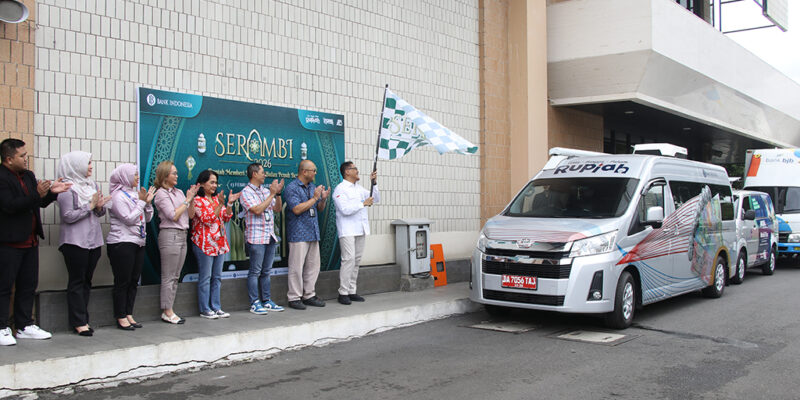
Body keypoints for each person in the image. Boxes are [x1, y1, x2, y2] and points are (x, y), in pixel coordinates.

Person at [0, 139, 71, 346]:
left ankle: (24, 325)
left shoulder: (29, 176)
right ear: (9, 159)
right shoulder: (2, 178)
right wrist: (36, 194)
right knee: (4, 287)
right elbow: (10, 206)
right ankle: (2, 327)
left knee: (28, 285)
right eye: (22, 156)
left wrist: (51, 194)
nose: (26, 159)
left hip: (30, 241)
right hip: (8, 242)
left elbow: (37, 202)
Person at [56, 151, 110, 336]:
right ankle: (78, 322)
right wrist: (90, 206)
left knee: (87, 280)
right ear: (76, 165)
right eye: (88, 163)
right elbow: (68, 216)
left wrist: (100, 207)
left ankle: (84, 318)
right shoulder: (66, 188)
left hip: (93, 241)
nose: (91, 167)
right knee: (77, 281)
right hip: (75, 242)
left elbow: (98, 213)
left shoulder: (91, 185)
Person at [107, 164, 154, 331]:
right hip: (122, 242)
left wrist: (147, 204)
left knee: (134, 280)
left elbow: (147, 218)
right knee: (123, 280)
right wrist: (141, 202)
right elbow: (128, 219)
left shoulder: (135, 194)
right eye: (134, 174)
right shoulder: (117, 196)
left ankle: (128, 313)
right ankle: (120, 315)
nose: (137, 177)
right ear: (125, 176)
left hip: (138, 241)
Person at [153, 161, 198, 324]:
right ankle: (167, 310)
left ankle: (169, 308)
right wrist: (187, 200)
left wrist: (191, 200)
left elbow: (191, 215)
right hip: (170, 235)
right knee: (169, 275)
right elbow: (173, 215)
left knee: (176, 275)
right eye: (174, 173)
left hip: (182, 234)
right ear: (165, 175)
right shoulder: (161, 194)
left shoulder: (179, 192)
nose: (177, 176)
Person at [191, 169, 240, 319]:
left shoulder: (216, 199)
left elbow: (226, 217)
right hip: (204, 243)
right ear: (202, 183)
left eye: (216, 183)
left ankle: (216, 307)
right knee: (205, 278)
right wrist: (220, 205)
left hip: (219, 244)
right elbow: (208, 219)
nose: (214, 185)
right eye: (211, 182)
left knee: (217, 277)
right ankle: (205, 309)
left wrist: (229, 204)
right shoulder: (197, 200)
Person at [283, 160, 330, 310]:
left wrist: (323, 199)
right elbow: (296, 209)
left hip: (313, 232)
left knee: (313, 266)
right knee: (296, 268)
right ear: (304, 172)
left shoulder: (312, 187)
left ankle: (309, 295)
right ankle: (294, 297)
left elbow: (319, 209)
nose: (315, 173)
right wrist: (315, 198)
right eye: (313, 170)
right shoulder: (292, 188)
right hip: (298, 233)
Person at [240, 163, 285, 315]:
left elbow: (277, 209)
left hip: (269, 236)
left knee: (266, 271)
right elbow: (257, 210)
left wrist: (278, 194)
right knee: (255, 271)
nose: (265, 175)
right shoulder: (246, 192)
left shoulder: (266, 191)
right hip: (256, 237)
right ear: (254, 174)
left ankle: (266, 300)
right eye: (262, 172)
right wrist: (272, 194)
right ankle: (254, 302)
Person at [332, 162, 379, 305]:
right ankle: (343, 292)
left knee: (356, 260)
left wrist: (374, 183)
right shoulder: (340, 189)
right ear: (347, 172)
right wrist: (362, 204)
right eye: (354, 169)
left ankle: (352, 291)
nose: (357, 171)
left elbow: (375, 199)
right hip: (347, 230)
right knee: (348, 259)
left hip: (360, 228)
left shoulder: (359, 188)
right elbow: (345, 209)